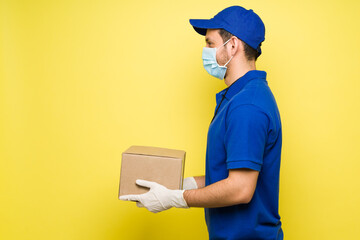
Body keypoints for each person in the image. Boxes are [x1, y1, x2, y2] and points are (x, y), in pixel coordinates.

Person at [120, 5, 283, 240]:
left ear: (233, 45)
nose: (205, 50)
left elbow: (240, 189)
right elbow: (231, 177)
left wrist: (175, 199)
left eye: (209, 43)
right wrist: (178, 184)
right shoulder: (238, 98)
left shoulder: (247, 106)